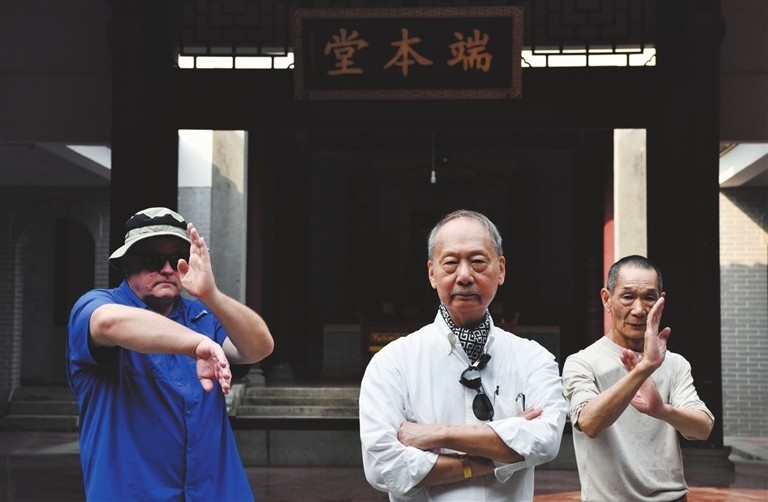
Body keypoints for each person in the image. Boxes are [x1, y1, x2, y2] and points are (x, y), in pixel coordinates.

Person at [67, 207, 274, 501]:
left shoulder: (203, 316)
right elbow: (108, 323)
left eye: (177, 260)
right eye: (152, 260)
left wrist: (212, 295)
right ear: (126, 265)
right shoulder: (99, 305)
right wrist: (196, 345)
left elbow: (259, 347)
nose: (166, 269)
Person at [359, 209, 567, 502]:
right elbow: (384, 468)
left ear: (501, 269)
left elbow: (545, 442)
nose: (465, 276)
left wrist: (438, 434)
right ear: (432, 273)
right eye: (451, 263)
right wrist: (502, 454)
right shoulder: (393, 363)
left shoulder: (533, 359)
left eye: (478, 261)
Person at [562, 255, 714, 501]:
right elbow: (590, 423)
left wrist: (661, 410)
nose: (639, 309)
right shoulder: (583, 362)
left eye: (649, 298)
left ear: (660, 302)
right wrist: (644, 368)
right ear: (607, 299)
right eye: (628, 296)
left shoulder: (675, 364)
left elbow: (703, 428)